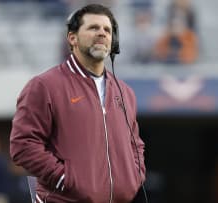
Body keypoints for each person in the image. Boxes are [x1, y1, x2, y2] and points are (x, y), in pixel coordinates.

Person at [9, 4, 146, 203]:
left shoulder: (125, 92)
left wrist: (134, 177)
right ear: (72, 38)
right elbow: (23, 145)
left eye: (107, 30)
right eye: (93, 28)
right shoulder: (44, 86)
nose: (102, 33)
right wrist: (66, 180)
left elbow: (135, 144)